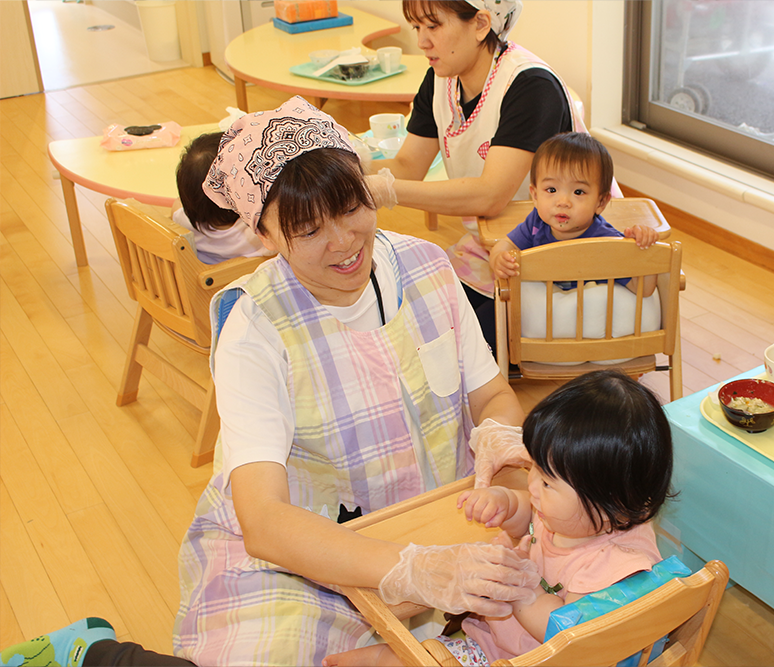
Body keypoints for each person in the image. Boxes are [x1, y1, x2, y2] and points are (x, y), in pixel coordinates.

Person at [0, 96, 541, 667]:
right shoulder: (254, 325)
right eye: (307, 229)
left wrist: (502, 446)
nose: (343, 241)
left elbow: (491, 396)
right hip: (299, 554)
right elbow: (264, 521)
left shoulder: (427, 266)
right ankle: (96, 655)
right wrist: (408, 568)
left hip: (433, 521)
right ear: (264, 235)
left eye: (351, 205)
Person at [324, 370, 676, 666]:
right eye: (533, 468)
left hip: (532, 657)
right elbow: (532, 519)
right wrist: (506, 504)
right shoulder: (578, 515)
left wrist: (526, 596)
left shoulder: (617, 566)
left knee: (421, 658)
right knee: (403, 653)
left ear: (613, 503)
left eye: (547, 481)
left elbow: (569, 636)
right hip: (498, 638)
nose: (533, 486)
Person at [373, 0, 606, 352]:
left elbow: (490, 195)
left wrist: (385, 191)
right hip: (498, 246)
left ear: (482, 23)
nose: (421, 41)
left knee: (461, 345)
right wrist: (345, 164)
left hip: (560, 249)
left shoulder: (530, 86)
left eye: (432, 26)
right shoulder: (442, 77)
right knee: (418, 315)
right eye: (416, 27)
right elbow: (407, 166)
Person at [488, 132, 660, 298]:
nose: (563, 202)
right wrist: (498, 259)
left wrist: (645, 251)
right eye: (551, 189)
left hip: (588, 320)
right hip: (544, 319)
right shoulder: (536, 223)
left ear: (601, 202)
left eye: (578, 192)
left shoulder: (606, 241)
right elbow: (506, 244)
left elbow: (642, 290)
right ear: (535, 195)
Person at [171, 131, 270, 264]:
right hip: (254, 279)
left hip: (210, 282)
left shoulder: (182, 222)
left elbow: (178, 204)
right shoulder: (258, 229)